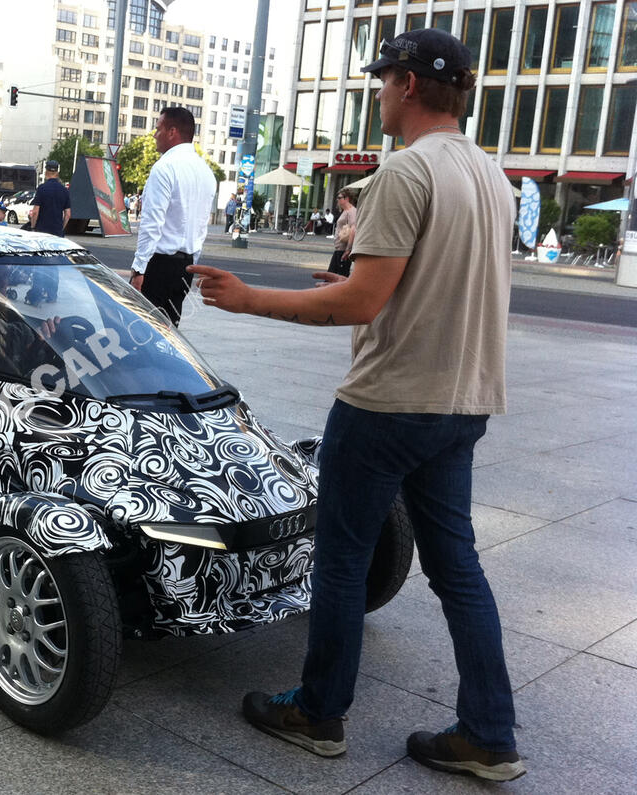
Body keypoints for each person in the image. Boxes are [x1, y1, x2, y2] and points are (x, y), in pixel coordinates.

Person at [189, 29, 523, 783]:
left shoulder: (405, 174)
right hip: (462, 402)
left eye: (381, 81)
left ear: (407, 84)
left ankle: (318, 711)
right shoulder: (492, 178)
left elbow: (364, 300)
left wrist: (248, 300)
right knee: (457, 568)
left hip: (387, 404)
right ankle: (490, 732)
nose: (376, 94)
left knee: (340, 560)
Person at [128, 106, 216, 326]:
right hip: (184, 267)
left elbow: (152, 224)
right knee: (169, 333)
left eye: (158, 129)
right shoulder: (206, 172)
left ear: (172, 131)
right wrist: (192, 263)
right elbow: (201, 226)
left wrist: (139, 269)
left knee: (143, 332)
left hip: (159, 266)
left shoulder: (165, 168)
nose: (155, 135)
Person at [29, 159, 71, 237]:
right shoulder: (64, 190)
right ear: (57, 173)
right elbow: (68, 214)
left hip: (42, 231)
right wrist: (61, 228)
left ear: (46, 172)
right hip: (57, 232)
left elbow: (35, 212)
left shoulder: (41, 188)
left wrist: (33, 227)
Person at [326, 190, 357, 277]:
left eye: (339, 198)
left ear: (346, 199)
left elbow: (353, 229)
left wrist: (348, 250)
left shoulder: (352, 211)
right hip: (339, 249)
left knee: (336, 277)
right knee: (332, 277)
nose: (337, 200)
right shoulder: (345, 211)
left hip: (343, 250)